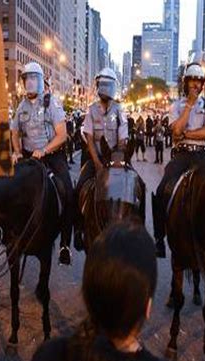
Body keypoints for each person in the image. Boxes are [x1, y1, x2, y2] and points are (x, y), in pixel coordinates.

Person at [27, 222, 199, 361]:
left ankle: (160, 239)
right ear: (148, 307)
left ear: (87, 295)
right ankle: (68, 240)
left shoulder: (46, 360)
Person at [152, 62, 205, 258]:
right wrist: (188, 107)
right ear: (186, 83)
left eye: (199, 82)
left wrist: (188, 133)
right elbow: (175, 130)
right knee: (162, 190)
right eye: (192, 81)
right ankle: (159, 238)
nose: (195, 85)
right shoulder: (176, 106)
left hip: (203, 155)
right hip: (182, 155)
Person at [10, 61, 73, 265]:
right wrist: (17, 151)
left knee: (67, 190)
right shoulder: (21, 106)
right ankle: (6, 234)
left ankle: (64, 243)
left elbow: (62, 135)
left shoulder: (52, 103)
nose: (29, 83)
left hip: (51, 155)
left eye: (32, 79)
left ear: (39, 81)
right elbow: (14, 131)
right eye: (26, 79)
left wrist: (44, 150)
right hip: (29, 156)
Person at [73, 68, 128, 250]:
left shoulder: (120, 110)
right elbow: (88, 138)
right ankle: (78, 230)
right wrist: (97, 163)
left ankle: (136, 228)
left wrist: (117, 162)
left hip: (116, 159)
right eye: (102, 85)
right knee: (79, 186)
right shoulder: (91, 110)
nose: (104, 89)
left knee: (137, 186)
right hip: (95, 158)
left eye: (107, 85)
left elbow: (122, 139)